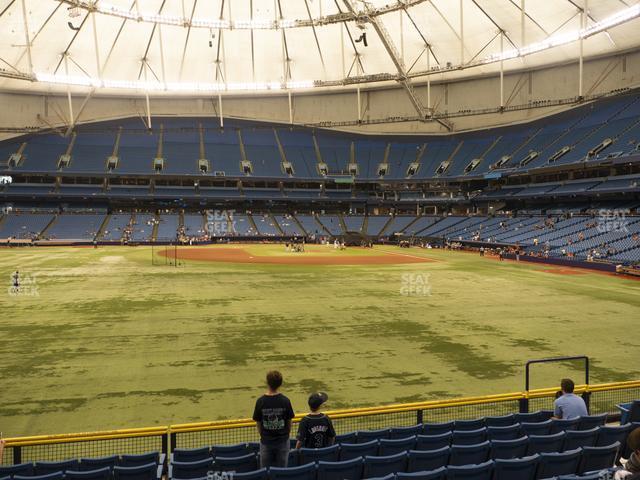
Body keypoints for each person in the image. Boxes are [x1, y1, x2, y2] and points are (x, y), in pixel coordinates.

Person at [253, 371, 295, 468]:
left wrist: (263, 434)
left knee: (265, 470)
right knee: (282, 471)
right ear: (280, 384)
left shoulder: (261, 401)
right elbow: (289, 422)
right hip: (283, 441)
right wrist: (285, 434)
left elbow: (258, 422)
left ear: (267, 382)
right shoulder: (285, 401)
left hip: (266, 442)